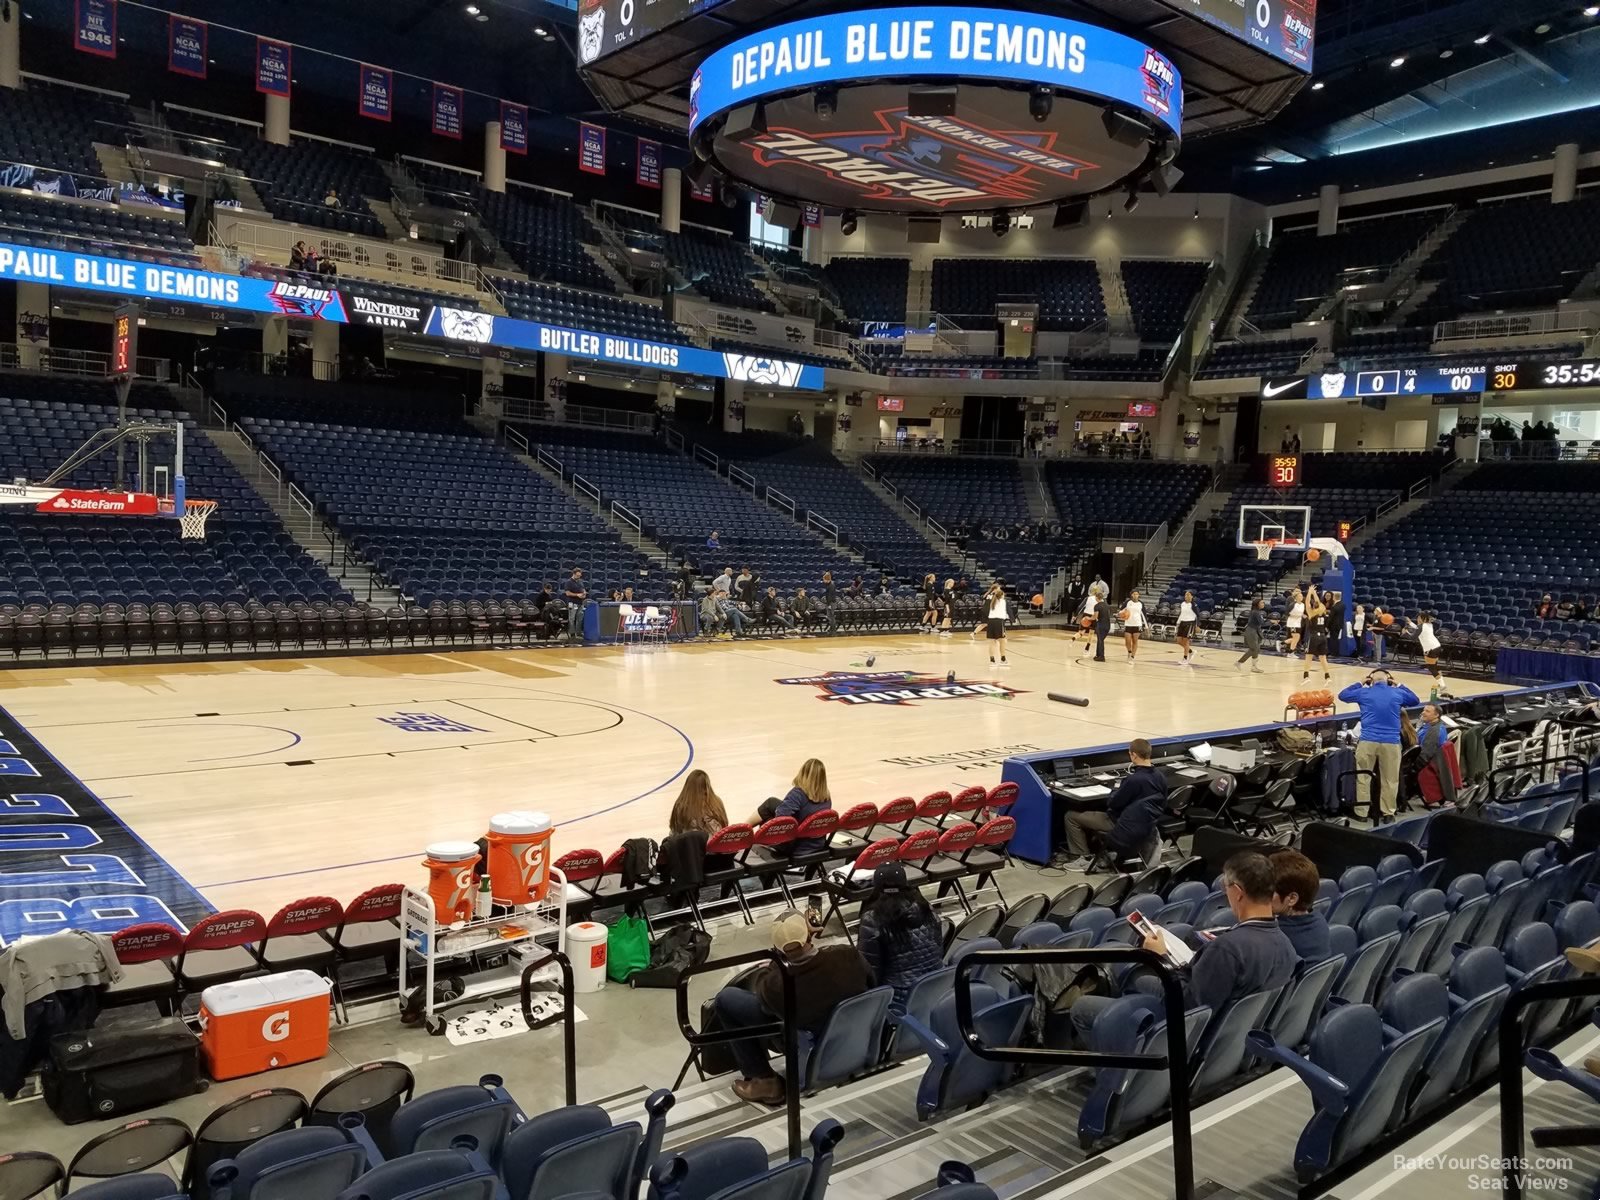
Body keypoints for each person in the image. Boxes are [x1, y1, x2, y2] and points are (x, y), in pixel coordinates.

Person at [1071, 851, 1296, 1049]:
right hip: (1231, 1038)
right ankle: (1126, 1025)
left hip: (1189, 1035)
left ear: (1237, 892)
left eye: (1226, 887)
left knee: (1082, 1007)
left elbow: (1190, 1009)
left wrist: (1162, 958)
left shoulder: (1228, 948)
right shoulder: (1286, 944)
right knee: (1134, 976)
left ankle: (1123, 1073)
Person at [712, 911, 872, 1103]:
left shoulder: (777, 984)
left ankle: (764, 1080)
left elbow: (765, 1004)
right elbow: (872, 984)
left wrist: (774, 964)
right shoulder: (848, 955)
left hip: (809, 1041)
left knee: (726, 999)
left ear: (778, 948)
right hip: (858, 1039)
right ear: (808, 934)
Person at [1061, 738, 1167, 870]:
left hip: (1121, 824)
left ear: (1133, 755)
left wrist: (1114, 791)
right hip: (1146, 825)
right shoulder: (1160, 777)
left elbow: (1114, 804)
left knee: (1071, 816)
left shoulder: (1133, 780)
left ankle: (1082, 857)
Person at [855, 863, 945, 1014]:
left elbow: (870, 972)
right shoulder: (925, 907)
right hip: (936, 986)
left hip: (900, 997)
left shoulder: (872, 919)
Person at [1338, 670, 1420, 823]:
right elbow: (1415, 700)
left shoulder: (1363, 693)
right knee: (1390, 779)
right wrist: (1399, 684)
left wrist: (1360, 682)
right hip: (1391, 743)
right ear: (1388, 680)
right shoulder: (1397, 693)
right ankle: (1388, 813)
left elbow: (1343, 695)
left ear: (1371, 680)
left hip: (1368, 741)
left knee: (1363, 776)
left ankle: (1362, 813)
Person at [754, 759, 834, 854]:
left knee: (769, 817)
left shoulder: (798, 794)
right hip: (817, 844)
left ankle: (745, 833)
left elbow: (781, 821)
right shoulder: (826, 796)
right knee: (771, 803)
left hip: (796, 847)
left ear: (803, 773)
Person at [1269, 850, 1331, 963]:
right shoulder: (1319, 921)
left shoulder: (1275, 938)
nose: (1261, 895)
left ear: (1292, 899)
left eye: (1268, 891)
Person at [1412, 701, 1458, 806]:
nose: (1423, 713)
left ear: (1436, 715)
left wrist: (1413, 767)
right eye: (1423, 710)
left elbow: (1425, 755)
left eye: (1427, 711)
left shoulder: (1434, 731)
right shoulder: (1432, 726)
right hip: (1433, 759)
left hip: (1428, 763)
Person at [669, 769, 729, 836]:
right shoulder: (717, 802)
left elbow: (674, 831)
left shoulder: (681, 804)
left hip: (691, 844)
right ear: (707, 786)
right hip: (716, 843)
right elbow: (725, 826)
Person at [1404, 611, 1445, 697]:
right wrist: (1410, 623)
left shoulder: (1421, 626)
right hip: (1437, 646)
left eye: (1418, 618)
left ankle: (1442, 686)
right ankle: (1441, 684)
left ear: (1422, 619)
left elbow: (1413, 638)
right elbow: (1418, 628)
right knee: (1435, 667)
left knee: (1432, 668)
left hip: (1431, 649)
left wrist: (1406, 632)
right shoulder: (1429, 625)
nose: (1417, 619)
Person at [1301, 585, 1331, 683]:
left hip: (1314, 636)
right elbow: (1318, 601)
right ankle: (1327, 677)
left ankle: (1306, 677)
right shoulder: (1322, 610)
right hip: (1323, 636)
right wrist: (1314, 593)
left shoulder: (1312, 613)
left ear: (1313, 606)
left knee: (1308, 657)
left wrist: (1309, 592)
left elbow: (1306, 602)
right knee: (1323, 658)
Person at [983, 581, 1009, 668]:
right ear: (1002, 596)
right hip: (999, 622)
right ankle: (1003, 659)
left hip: (991, 621)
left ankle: (992, 661)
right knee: (1003, 641)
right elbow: (1005, 614)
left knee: (991, 642)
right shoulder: (1003, 601)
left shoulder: (992, 601)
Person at [1236, 598, 1266, 673]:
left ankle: (1243, 663)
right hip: (1251, 631)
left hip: (1256, 631)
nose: (1263, 604)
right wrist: (1271, 622)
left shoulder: (1257, 612)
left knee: (1256, 649)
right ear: (1257, 604)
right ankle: (1250, 666)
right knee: (1254, 649)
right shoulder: (1255, 612)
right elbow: (1262, 623)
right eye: (1262, 603)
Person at [1121, 589, 1146, 663]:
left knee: (1135, 641)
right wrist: (1122, 614)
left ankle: (1132, 657)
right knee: (1127, 641)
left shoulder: (1141, 603)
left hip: (1137, 624)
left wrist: (1146, 626)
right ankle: (1129, 651)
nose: (1135, 595)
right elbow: (1121, 610)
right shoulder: (1127, 602)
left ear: (1139, 595)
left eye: (1137, 594)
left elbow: (1144, 615)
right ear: (1131, 595)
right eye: (1134, 594)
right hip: (1128, 623)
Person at [563, 568, 588, 641]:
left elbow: (583, 589)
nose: (578, 577)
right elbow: (567, 593)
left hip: (580, 602)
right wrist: (577, 595)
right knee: (572, 618)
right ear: (573, 574)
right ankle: (572, 633)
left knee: (580, 618)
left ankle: (579, 632)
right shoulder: (568, 582)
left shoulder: (580, 581)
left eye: (579, 576)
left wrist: (584, 593)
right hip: (572, 602)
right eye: (577, 576)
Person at [1175, 590, 1197, 666]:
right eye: (1185, 595)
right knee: (1178, 640)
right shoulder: (1183, 604)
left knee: (1186, 641)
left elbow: (1197, 615)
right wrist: (1178, 622)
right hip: (1182, 623)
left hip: (1190, 623)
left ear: (1192, 596)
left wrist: (1197, 625)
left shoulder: (1193, 605)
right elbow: (1181, 614)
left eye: (1188, 595)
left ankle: (1185, 658)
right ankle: (1191, 651)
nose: (1186, 596)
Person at [1092, 591, 1112, 662]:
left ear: (1096, 597)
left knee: (1100, 640)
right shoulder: (1107, 605)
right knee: (1101, 640)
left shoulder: (1097, 606)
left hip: (1101, 624)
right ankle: (1098, 654)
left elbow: (1095, 617)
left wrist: (1088, 618)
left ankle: (1101, 656)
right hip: (1108, 624)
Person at [1285, 587, 1305, 654]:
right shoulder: (1293, 604)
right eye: (1300, 596)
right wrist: (1296, 615)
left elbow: (1300, 613)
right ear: (1296, 597)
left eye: (1302, 596)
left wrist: (1302, 615)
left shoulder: (1302, 605)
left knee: (1296, 638)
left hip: (1298, 623)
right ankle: (1290, 652)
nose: (1301, 597)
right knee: (1296, 637)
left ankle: (1281, 643)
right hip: (1292, 623)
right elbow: (1287, 613)